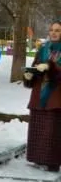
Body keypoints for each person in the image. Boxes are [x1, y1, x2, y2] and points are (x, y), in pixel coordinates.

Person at [24, 21, 61, 172]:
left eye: (57, 30)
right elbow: (36, 66)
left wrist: (51, 67)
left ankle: (53, 162)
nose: (53, 33)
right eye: (52, 30)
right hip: (39, 94)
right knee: (38, 126)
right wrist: (29, 75)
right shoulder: (43, 48)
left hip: (56, 96)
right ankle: (37, 158)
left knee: (53, 130)